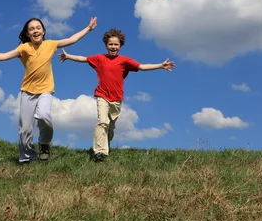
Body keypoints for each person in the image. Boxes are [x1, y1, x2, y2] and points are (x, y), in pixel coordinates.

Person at [0, 17, 98, 164]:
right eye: (31, 29)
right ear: (28, 34)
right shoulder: (24, 48)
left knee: (44, 115)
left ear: (43, 31)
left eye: (38, 28)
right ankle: (27, 157)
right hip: (27, 92)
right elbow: (4, 56)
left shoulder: (51, 44)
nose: (35, 30)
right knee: (25, 129)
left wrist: (88, 28)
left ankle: (44, 144)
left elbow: (72, 39)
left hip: (46, 90)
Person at [58, 27, 175, 162]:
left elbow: (142, 67)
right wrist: (68, 56)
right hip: (102, 95)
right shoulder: (99, 58)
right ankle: (99, 153)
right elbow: (83, 59)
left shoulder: (125, 61)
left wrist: (160, 65)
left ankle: (105, 144)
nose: (113, 47)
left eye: (116, 44)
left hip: (117, 99)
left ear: (120, 46)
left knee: (110, 127)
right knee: (102, 122)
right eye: (110, 44)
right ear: (106, 45)